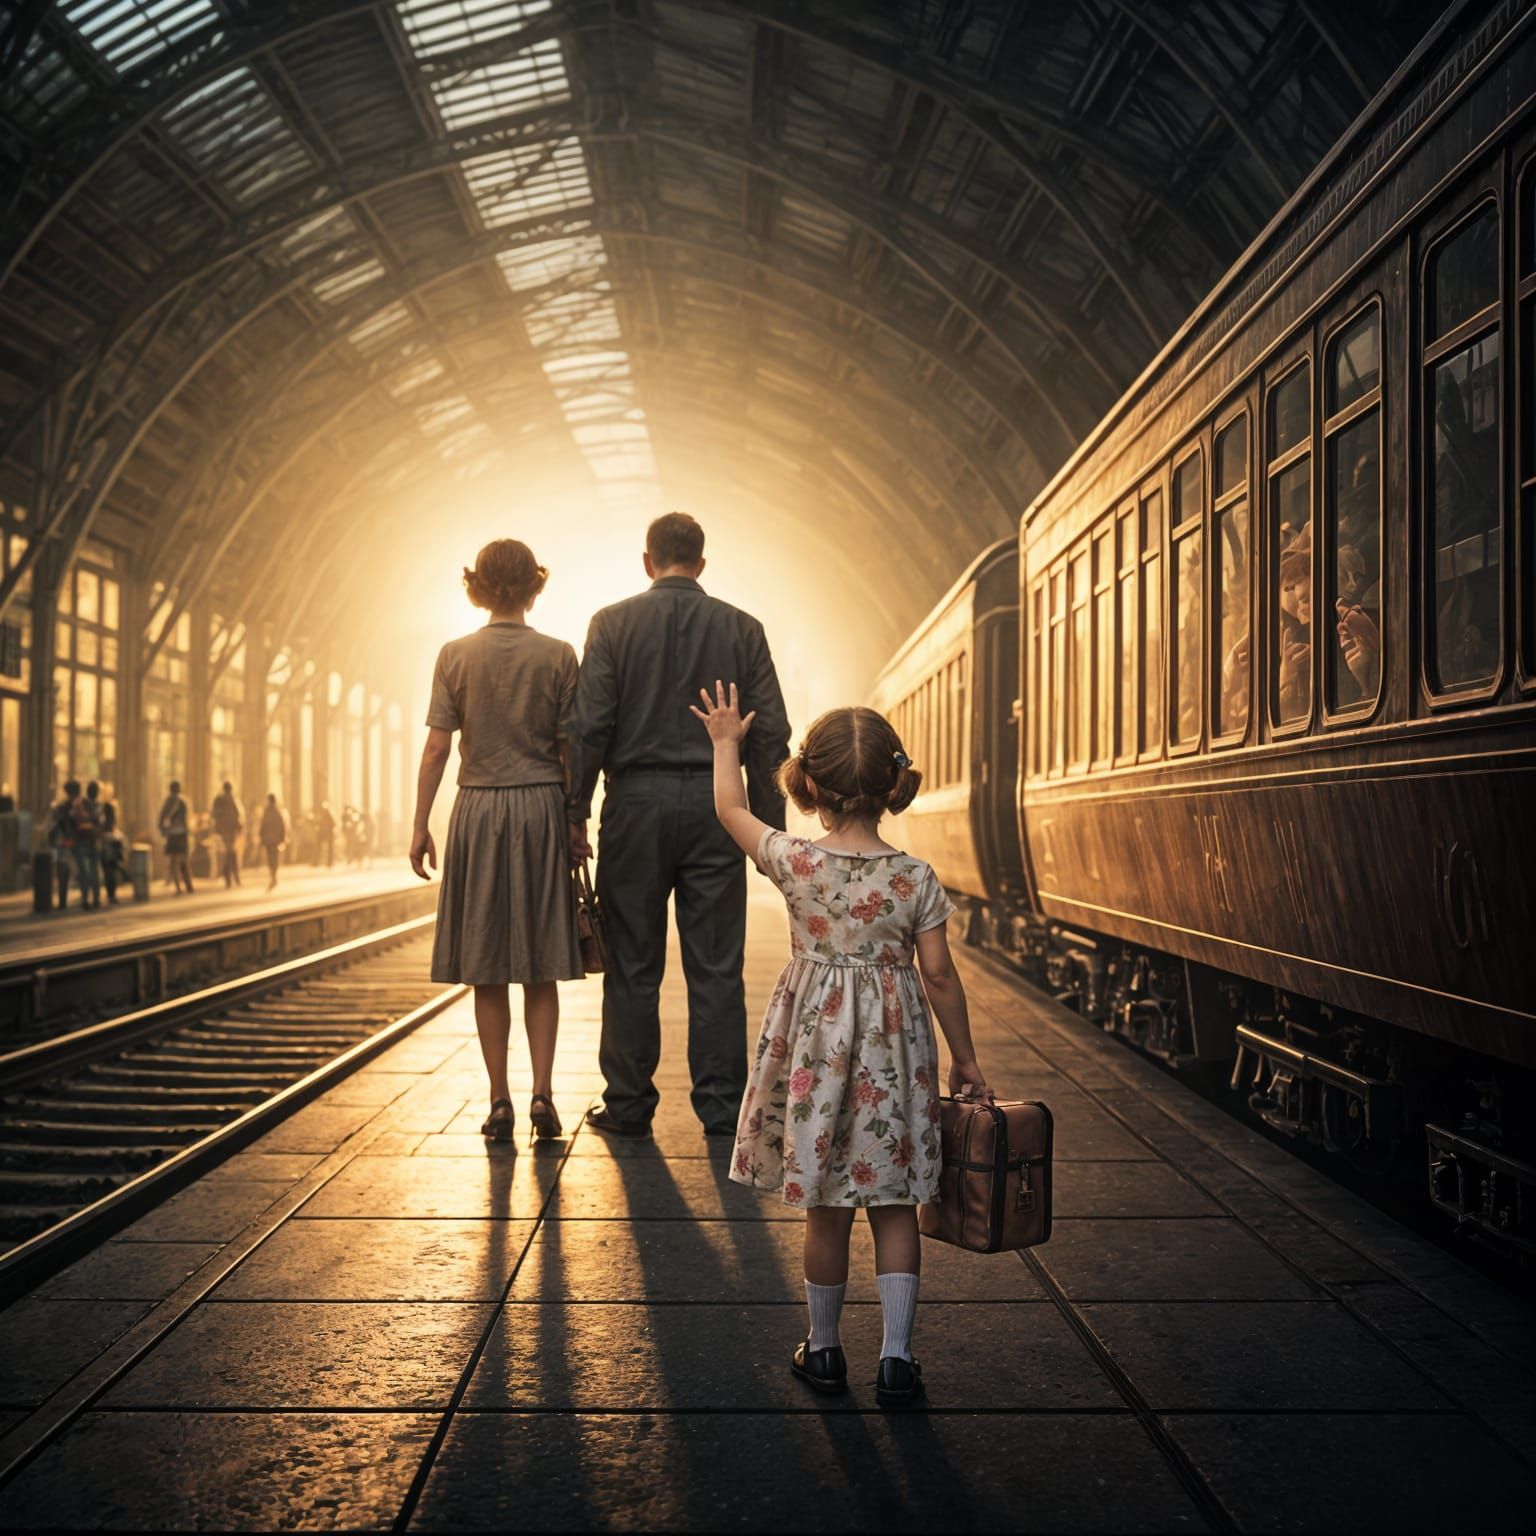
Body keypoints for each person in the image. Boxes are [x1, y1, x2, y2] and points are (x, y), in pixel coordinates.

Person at [692, 691, 992, 1408]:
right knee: (894, 1206)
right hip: (895, 1058)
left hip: (819, 1057)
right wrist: (965, 1059)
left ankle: (823, 1350)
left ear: (811, 786)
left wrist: (726, 743)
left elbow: (731, 811)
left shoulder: (794, 862)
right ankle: (896, 1359)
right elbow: (941, 975)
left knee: (826, 1206)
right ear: (892, 786)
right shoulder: (914, 877)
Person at [568, 511, 791, 1140]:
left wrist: (574, 811)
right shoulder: (743, 629)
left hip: (634, 807)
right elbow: (771, 730)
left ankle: (629, 1106)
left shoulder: (610, 624)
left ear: (647, 561)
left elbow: (589, 726)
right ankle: (722, 1112)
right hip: (718, 809)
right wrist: (764, 833)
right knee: (717, 966)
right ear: (702, 562)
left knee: (633, 964)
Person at [411, 538, 583, 1141]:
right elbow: (570, 750)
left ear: (478, 587)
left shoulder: (454, 655)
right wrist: (575, 824)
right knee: (539, 965)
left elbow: (437, 747)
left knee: (487, 966)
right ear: (534, 587)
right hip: (540, 807)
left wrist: (419, 825)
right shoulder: (560, 655)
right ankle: (542, 1094)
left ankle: (499, 1101)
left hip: (478, 809)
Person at [47, 779, 81, 911]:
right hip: (77, 842)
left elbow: (54, 824)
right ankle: (84, 899)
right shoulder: (82, 805)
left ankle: (63, 901)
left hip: (66, 842)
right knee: (73, 872)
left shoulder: (62, 807)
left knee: (64, 872)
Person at [159, 779, 193, 894]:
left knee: (174, 861)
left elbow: (162, 818)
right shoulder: (183, 802)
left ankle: (178, 887)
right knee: (183, 859)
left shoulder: (168, 802)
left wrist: (163, 831)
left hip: (172, 834)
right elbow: (186, 820)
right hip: (182, 833)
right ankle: (189, 885)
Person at [95, 785, 125, 905]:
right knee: (111, 869)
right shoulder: (112, 807)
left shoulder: (106, 808)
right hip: (112, 841)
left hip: (107, 842)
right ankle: (112, 894)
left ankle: (111, 894)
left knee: (108, 869)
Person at [211, 780, 244, 888]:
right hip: (231, 830)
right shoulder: (233, 799)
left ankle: (230, 878)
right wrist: (239, 829)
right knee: (231, 853)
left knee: (229, 853)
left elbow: (214, 815)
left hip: (223, 831)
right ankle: (234, 877)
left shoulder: (219, 800)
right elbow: (239, 815)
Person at [260, 793, 288, 890]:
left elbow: (262, 826)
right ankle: (274, 875)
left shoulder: (266, 812)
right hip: (276, 840)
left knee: (270, 858)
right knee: (274, 858)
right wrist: (282, 838)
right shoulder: (277, 812)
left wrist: (262, 837)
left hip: (268, 840)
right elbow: (282, 826)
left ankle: (273, 875)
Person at [315, 801, 335, 867]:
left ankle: (329, 862)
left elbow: (333, 823)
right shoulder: (321, 815)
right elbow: (318, 823)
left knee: (329, 849)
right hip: (322, 833)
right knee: (319, 847)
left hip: (328, 833)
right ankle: (317, 862)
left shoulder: (330, 814)